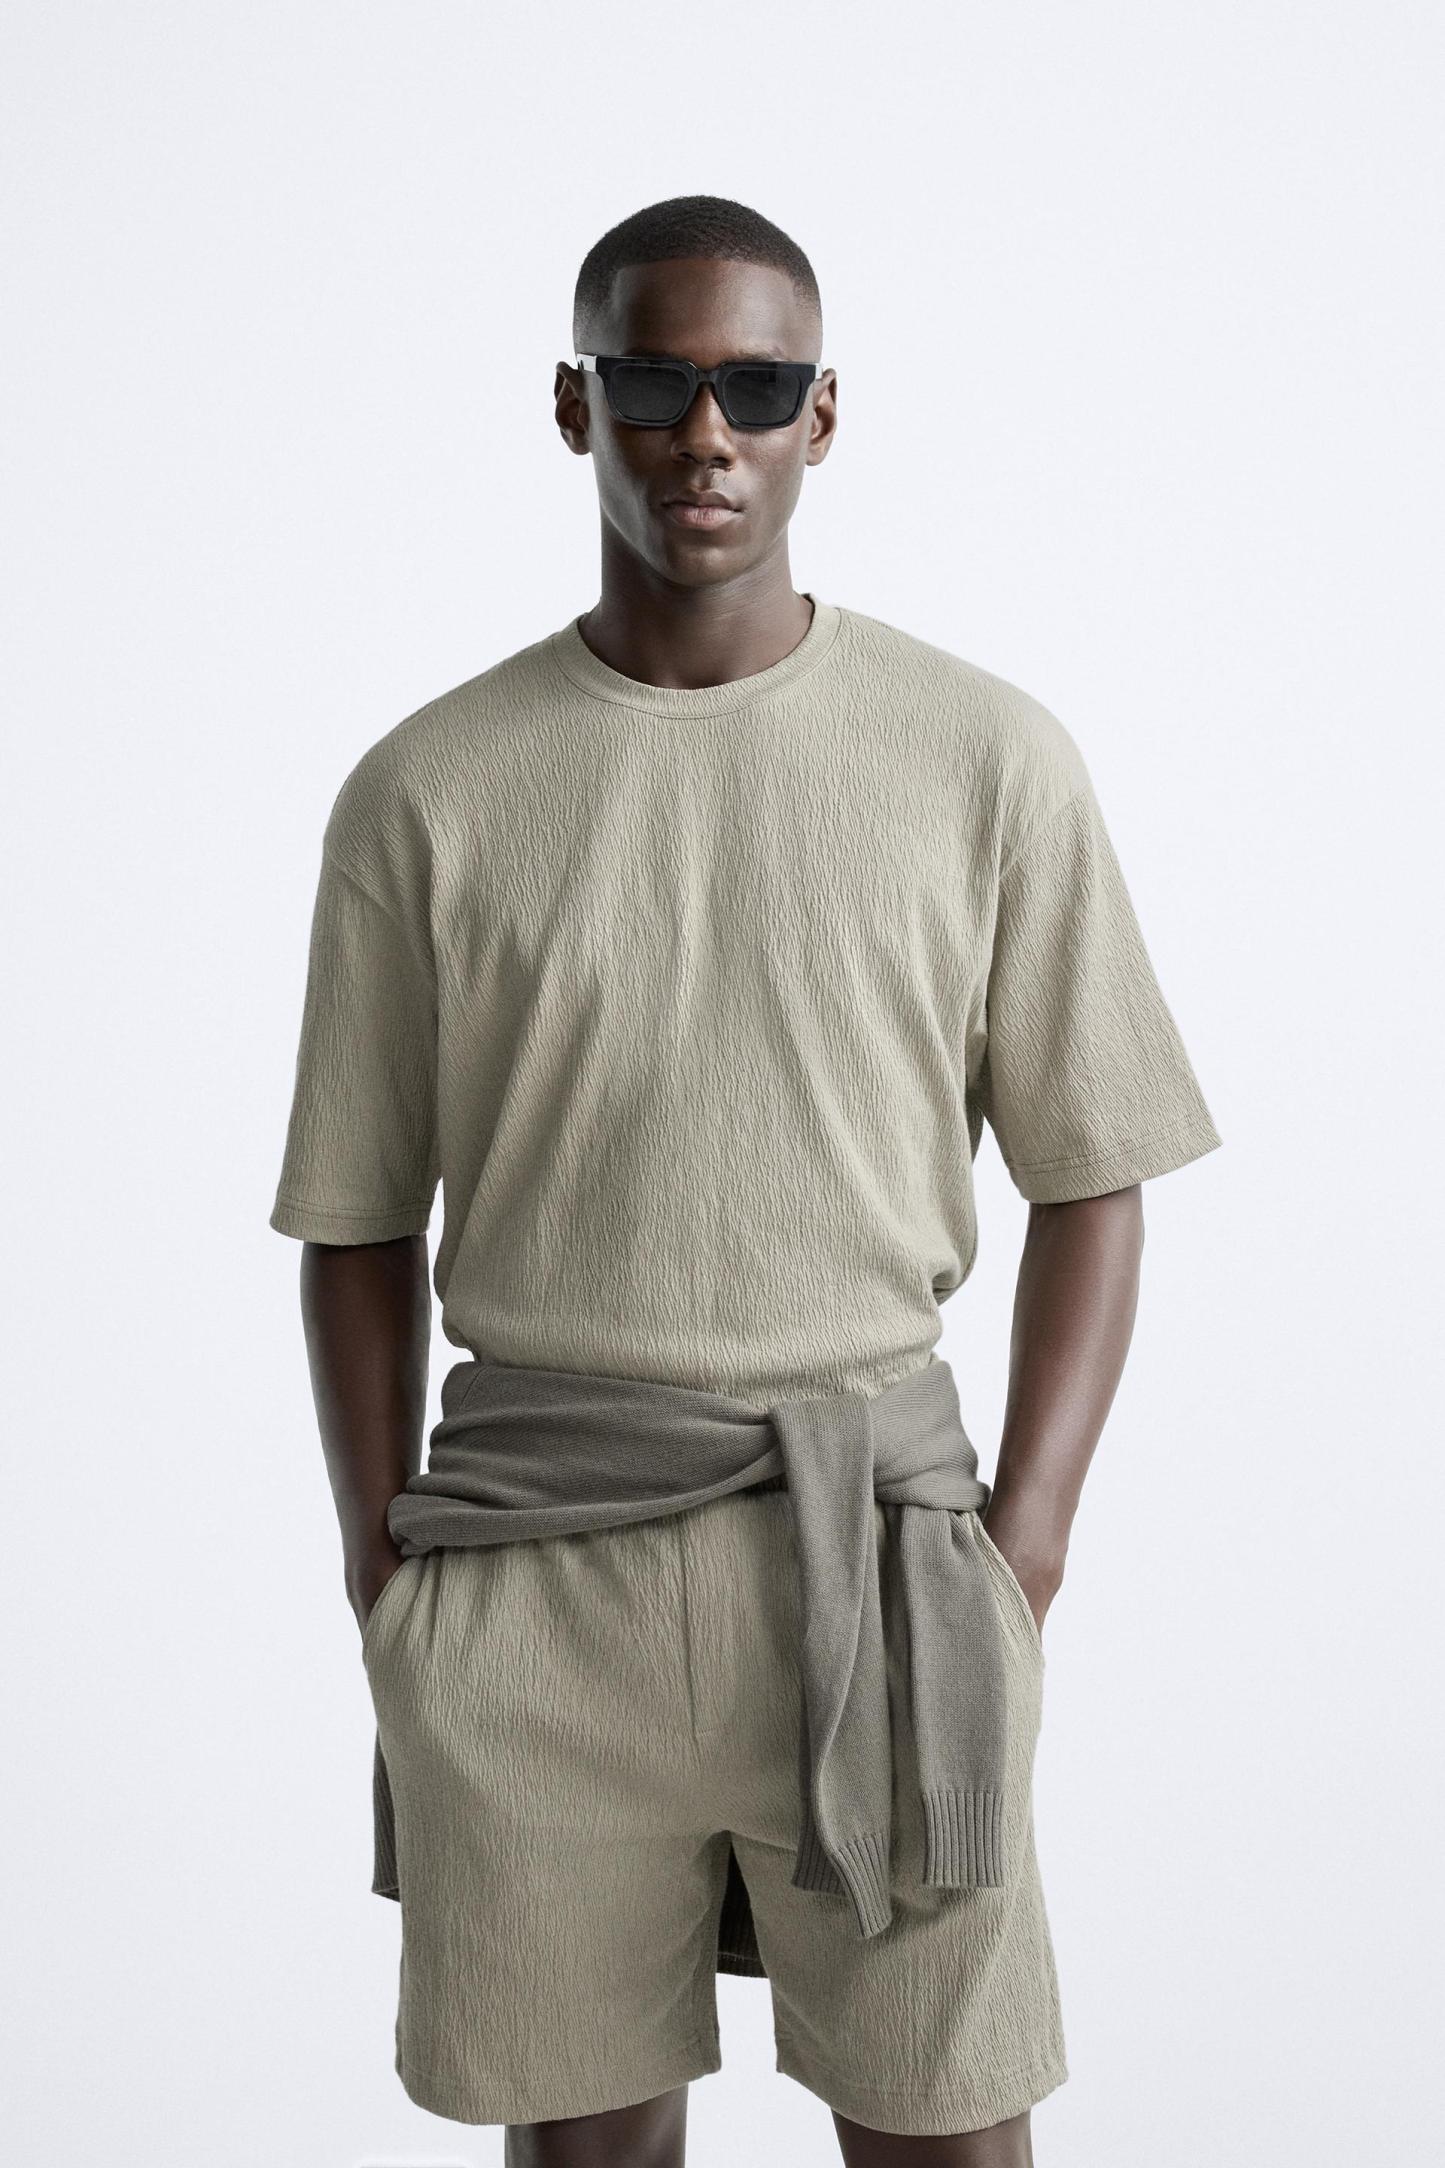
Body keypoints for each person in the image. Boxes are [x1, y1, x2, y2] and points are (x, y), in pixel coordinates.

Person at [268, 193, 1222, 2166]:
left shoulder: (983, 758)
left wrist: (1025, 1549)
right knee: (582, 2145)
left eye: (757, 388)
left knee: (946, 2122)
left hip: (883, 1558)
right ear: (575, 405)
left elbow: (1098, 1167)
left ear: (823, 416)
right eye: (652, 381)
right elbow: (353, 1217)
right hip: (533, 1571)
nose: (704, 433)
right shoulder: (426, 790)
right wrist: (383, 1571)